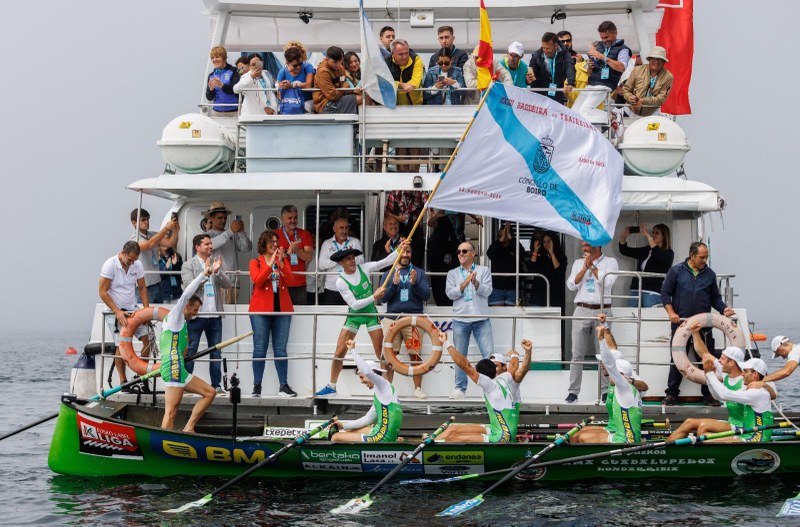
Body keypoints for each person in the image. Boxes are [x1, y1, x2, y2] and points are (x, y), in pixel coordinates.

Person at [314, 240, 409, 397]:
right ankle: (331, 386)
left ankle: (387, 388)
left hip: (371, 314)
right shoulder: (340, 281)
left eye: (353, 257)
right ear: (341, 263)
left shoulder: (364, 268)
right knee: (339, 352)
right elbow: (354, 304)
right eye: (348, 259)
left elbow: (385, 262)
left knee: (383, 353)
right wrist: (374, 296)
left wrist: (399, 250)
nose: (352, 261)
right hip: (355, 315)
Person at [660, 242, 735, 405]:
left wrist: (724, 310)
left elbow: (715, 297)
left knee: (707, 360)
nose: (705, 260)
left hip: (704, 326)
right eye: (702, 257)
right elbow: (665, 294)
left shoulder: (709, 274)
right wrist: (671, 313)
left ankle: (708, 394)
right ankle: (672, 394)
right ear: (692, 255)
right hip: (681, 325)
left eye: (706, 257)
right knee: (677, 359)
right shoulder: (676, 271)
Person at [437, 333, 532, 442]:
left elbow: (465, 365)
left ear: (504, 367)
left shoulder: (490, 384)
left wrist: (446, 343)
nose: (493, 367)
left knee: (453, 438)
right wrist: (516, 355)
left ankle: (428, 450)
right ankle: (429, 443)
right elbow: (514, 366)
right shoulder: (506, 377)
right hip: (496, 429)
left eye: (496, 365)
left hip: (502, 437)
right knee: (452, 428)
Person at [160, 261, 218, 432]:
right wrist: (204, 275)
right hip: (174, 368)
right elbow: (186, 294)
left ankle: (189, 428)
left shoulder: (181, 324)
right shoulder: (175, 316)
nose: (196, 313)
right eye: (195, 310)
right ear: (186, 307)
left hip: (179, 368)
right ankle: (164, 443)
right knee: (171, 412)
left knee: (210, 393)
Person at [666, 323, 747, 440]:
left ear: (732, 363)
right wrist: (695, 333)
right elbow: (704, 354)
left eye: (722, 359)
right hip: (731, 423)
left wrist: (709, 373)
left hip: (742, 427)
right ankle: (663, 449)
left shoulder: (744, 382)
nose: (719, 361)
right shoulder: (726, 373)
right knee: (689, 422)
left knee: (703, 428)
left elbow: (722, 396)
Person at [572, 320, 647, 443]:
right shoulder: (626, 386)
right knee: (580, 431)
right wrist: (605, 326)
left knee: (577, 437)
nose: (603, 366)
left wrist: (601, 339)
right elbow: (611, 354)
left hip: (623, 442)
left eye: (613, 372)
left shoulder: (624, 387)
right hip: (619, 435)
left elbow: (609, 363)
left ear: (620, 374)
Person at [564, 241, 619, 403]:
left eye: (587, 245)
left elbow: (608, 282)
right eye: (583, 246)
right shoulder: (578, 263)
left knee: (604, 354)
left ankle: (604, 392)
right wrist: (584, 268)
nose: (584, 249)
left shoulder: (610, 262)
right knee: (577, 353)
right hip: (581, 309)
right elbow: (571, 285)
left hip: (602, 310)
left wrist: (593, 267)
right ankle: (573, 392)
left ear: (597, 246)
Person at [181, 234, 232, 394]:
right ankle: (187, 385)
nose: (211, 246)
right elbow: (189, 287)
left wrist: (217, 272)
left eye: (211, 244)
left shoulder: (216, 262)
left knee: (216, 351)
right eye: (207, 244)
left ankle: (216, 385)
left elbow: (228, 284)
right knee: (191, 350)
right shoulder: (188, 265)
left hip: (214, 315)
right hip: (196, 316)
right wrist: (205, 273)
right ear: (197, 247)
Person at [248, 230, 297, 398]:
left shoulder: (282, 260)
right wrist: (270, 265)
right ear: (264, 244)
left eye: (276, 241)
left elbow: (291, 281)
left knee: (280, 349)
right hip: (260, 310)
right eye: (271, 241)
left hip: (282, 309)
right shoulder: (255, 262)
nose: (275, 244)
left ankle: (283, 385)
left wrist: (282, 262)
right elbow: (258, 281)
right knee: (259, 348)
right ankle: (257, 386)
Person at [380, 244, 431, 399]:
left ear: (411, 254)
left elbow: (426, 296)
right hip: (392, 318)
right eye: (402, 251)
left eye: (408, 251)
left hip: (413, 318)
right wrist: (394, 285)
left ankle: (417, 389)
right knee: (389, 355)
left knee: (415, 355)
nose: (405, 254)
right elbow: (382, 298)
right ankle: (387, 390)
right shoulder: (388, 273)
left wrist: (415, 284)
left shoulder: (419, 272)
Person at [446, 241, 494, 399]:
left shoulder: (483, 270)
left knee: (488, 355)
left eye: (465, 251)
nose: (461, 254)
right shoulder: (452, 273)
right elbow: (450, 294)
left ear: (473, 253)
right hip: (461, 318)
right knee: (460, 356)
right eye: (459, 251)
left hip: (481, 318)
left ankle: (491, 388)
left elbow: (488, 291)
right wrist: (465, 283)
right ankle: (460, 388)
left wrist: (476, 283)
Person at [330, 340, 402, 442]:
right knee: (352, 430)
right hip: (387, 435)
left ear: (371, 374)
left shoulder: (383, 385)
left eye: (361, 377)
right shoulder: (382, 393)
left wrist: (353, 350)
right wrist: (344, 426)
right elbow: (367, 419)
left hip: (381, 438)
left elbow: (367, 371)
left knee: (335, 437)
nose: (361, 381)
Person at [99, 241, 149, 386]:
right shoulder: (110, 265)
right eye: (130, 260)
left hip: (132, 308)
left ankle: (141, 376)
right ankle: (123, 380)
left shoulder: (137, 265)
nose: (132, 263)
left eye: (135, 260)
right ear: (123, 253)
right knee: (121, 345)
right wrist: (117, 312)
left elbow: (142, 288)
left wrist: (146, 310)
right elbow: (102, 292)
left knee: (148, 338)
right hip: (115, 311)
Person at [571, 21, 631, 124]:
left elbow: (621, 67)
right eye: (602, 38)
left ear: (615, 33)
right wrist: (590, 65)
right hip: (590, 83)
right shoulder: (599, 46)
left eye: (607, 37)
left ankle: (614, 117)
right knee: (574, 113)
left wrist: (603, 57)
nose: (604, 40)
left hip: (605, 85)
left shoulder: (623, 49)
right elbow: (589, 71)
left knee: (585, 111)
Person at [703, 357, 775, 442]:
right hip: (747, 434)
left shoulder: (757, 393)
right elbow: (720, 396)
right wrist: (709, 379)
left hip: (757, 438)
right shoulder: (750, 390)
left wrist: (710, 374)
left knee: (707, 441)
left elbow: (724, 394)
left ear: (755, 374)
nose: (742, 374)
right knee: (704, 435)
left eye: (745, 371)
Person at [427, 209, 482, 306]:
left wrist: (477, 219)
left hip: (457, 243)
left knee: (459, 272)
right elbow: (430, 224)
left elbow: (466, 208)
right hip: (439, 246)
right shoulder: (441, 207)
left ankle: (459, 299)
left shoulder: (460, 205)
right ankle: (441, 301)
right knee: (439, 276)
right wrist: (436, 216)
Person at [205, 201, 252, 304]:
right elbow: (211, 245)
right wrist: (231, 231)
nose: (223, 221)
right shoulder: (207, 235)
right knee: (223, 315)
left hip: (234, 282)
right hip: (218, 282)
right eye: (220, 218)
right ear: (211, 218)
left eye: (225, 218)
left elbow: (247, 248)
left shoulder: (232, 234)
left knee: (230, 316)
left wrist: (241, 232)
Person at [130, 208, 178, 304]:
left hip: (157, 283)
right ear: (134, 223)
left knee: (157, 315)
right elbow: (149, 245)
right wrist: (166, 228)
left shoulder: (152, 234)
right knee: (145, 315)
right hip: (144, 286)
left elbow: (170, 243)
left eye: (147, 219)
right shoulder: (134, 239)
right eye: (143, 220)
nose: (147, 222)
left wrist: (176, 230)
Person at [618, 223, 674, 307]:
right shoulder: (647, 250)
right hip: (637, 288)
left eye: (657, 233)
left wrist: (648, 236)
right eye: (653, 233)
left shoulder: (668, 253)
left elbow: (658, 253)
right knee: (632, 315)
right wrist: (623, 237)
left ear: (664, 236)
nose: (653, 235)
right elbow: (625, 250)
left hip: (652, 291)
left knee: (649, 317)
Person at [318, 217, 364, 305]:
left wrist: (343, 259)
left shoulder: (355, 242)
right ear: (334, 229)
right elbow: (321, 265)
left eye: (346, 228)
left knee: (351, 316)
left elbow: (361, 261)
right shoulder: (327, 244)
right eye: (341, 228)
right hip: (332, 288)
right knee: (331, 317)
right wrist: (338, 259)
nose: (344, 231)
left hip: (351, 287)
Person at [276, 204, 314, 306]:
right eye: (290, 218)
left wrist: (298, 251)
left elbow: (309, 257)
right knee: (282, 315)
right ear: (282, 219)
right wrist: (287, 253)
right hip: (281, 282)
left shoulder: (305, 234)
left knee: (300, 317)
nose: (293, 220)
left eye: (295, 217)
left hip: (299, 283)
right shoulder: (275, 235)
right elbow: (273, 259)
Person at [622, 46, 674, 117]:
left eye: (660, 59)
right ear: (649, 59)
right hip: (629, 111)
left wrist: (642, 100)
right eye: (653, 58)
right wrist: (630, 97)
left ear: (664, 62)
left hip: (652, 114)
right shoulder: (637, 70)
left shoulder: (668, 76)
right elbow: (626, 89)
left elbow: (661, 99)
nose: (656, 61)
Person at [528, 32, 576, 105]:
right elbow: (531, 75)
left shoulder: (564, 53)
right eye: (543, 47)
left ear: (556, 46)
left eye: (548, 48)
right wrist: (528, 80)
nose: (545, 51)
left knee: (558, 114)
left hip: (557, 90)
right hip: (540, 92)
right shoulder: (536, 56)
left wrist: (570, 83)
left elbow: (570, 67)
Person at [313, 46, 363, 114]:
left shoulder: (340, 67)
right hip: (326, 105)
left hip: (338, 99)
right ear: (327, 59)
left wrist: (353, 91)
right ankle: (363, 124)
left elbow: (344, 86)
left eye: (340, 61)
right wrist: (344, 88)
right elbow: (332, 96)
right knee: (363, 98)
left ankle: (359, 123)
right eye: (335, 62)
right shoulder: (323, 72)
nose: (338, 64)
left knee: (365, 97)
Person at [385, 190, 428, 267]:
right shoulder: (394, 193)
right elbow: (387, 213)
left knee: (416, 256)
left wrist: (430, 213)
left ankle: (416, 274)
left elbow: (429, 205)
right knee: (397, 251)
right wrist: (398, 218)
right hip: (399, 228)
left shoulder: (421, 193)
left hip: (415, 229)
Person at [486, 222, 525, 306]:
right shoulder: (496, 246)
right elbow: (490, 254)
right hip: (497, 288)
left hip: (513, 288)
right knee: (499, 317)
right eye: (501, 235)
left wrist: (511, 238)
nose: (504, 236)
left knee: (512, 317)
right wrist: (501, 239)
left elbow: (522, 253)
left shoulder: (515, 246)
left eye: (506, 234)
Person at [528, 231, 567, 309]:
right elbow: (531, 269)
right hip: (538, 297)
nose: (546, 244)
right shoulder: (540, 255)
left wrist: (552, 254)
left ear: (554, 241)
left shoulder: (561, 256)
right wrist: (535, 251)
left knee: (553, 321)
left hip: (554, 298)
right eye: (544, 242)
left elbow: (559, 271)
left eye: (549, 241)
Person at [277, 46, 315, 114]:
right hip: (290, 105)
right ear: (287, 63)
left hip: (307, 103)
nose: (299, 67)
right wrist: (284, 87)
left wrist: (291, 86)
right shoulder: (282, 72)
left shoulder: (308, 67)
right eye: (295, 65)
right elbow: (280, 95)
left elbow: (308, 85)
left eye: (301, 64)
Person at [386, 39, 424, 106]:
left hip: (414, 104)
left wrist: (395, 86)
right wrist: (401, 85)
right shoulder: (386, 61)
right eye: (401, 54)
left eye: (407, 53)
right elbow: (384, 82)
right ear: (392, 54)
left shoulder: (416, 60)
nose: (405, 57)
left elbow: (415, 83)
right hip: (392, 105)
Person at [205, 46, 241, 115]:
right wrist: (211, 90)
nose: (214, 60)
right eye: (212, 58)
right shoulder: (211, 75)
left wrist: (221, 85)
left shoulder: (234, 71)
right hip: (216, 113)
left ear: (224, 58)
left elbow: (236, 90)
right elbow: (209, 98)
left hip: (234, 112)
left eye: (217, 57)